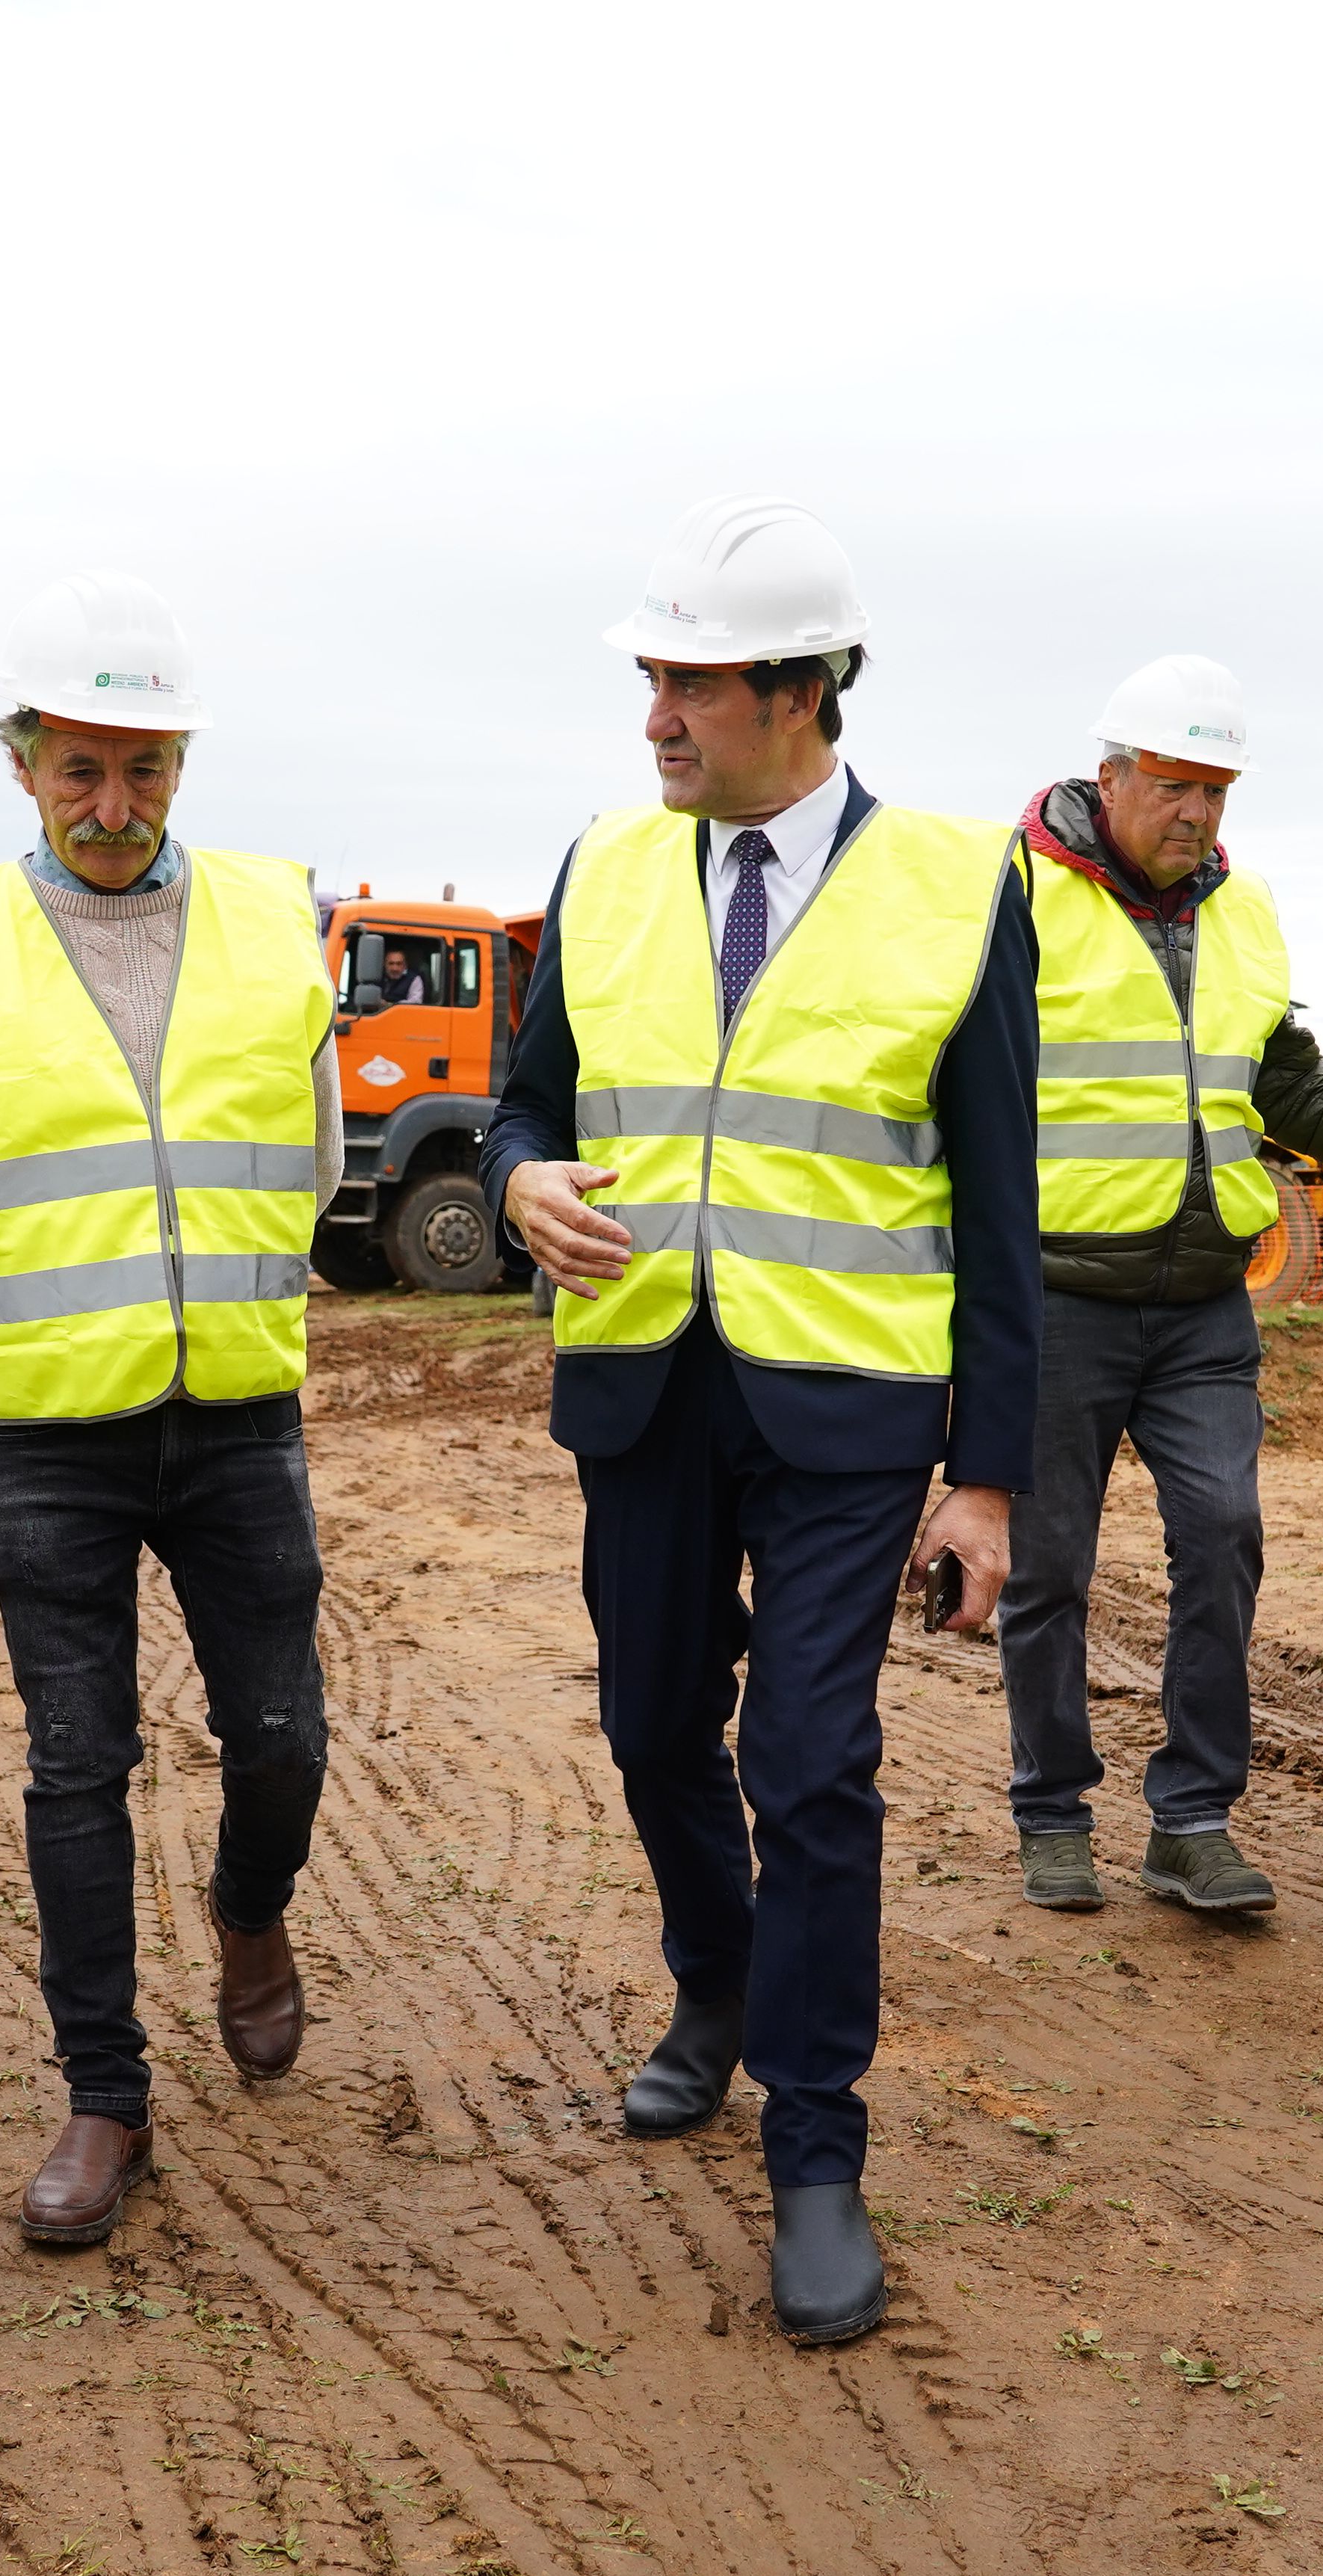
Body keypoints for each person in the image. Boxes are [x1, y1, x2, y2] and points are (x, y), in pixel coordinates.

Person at [486, 496, 1039, 2346]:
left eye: (690, 684)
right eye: (648, 677)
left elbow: (998, 1201)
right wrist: (515, 1185)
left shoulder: (962, 888)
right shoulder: (607, 864)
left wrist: (990, 1477)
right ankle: (710, 1989)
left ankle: (817, 2153)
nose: (654, 716)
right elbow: (523, 1106)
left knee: (810, 1764)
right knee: (656, 1730)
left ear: (799, 694)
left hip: (848, 1407)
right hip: (645, 1382)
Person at [0, 570, 341, 2250]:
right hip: (53, 1438)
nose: (115, 806)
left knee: (282, 1736)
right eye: (81, 770)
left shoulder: (283, 921)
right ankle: (105, 2094)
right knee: (79, 1764)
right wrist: (10, 1343)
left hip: (240, 1423)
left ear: (183, 763)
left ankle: (249, 1907)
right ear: (24, 766)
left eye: (144, 768)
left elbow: (316, 1161)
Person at [1001, 655, 1323, 1919]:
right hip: (1058, 1301)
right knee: (1048, 1567)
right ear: (1108, 778)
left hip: (1206, 1304)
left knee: (1223, 1539)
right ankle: (1052, 1809)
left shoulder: (1246, 911)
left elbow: (1291, 1089)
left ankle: (1192, 1818)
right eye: (1175, 787)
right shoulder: (1015, 899)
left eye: (1217, 792)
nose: (1199, 816)